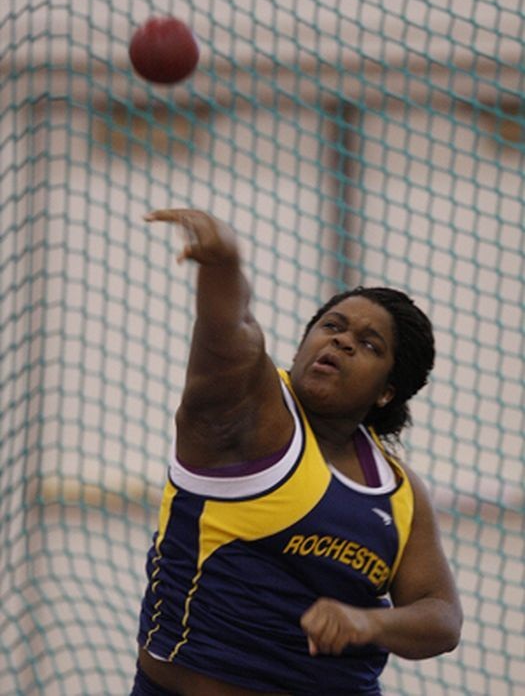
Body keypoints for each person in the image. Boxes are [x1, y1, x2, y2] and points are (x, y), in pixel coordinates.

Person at [131, 209, 462, 696]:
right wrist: (223, 266)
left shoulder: (399, 491)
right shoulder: (250, 410)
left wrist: (368, 622)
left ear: (387, 392)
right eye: (332, 325)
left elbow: (442, 617)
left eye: (369, 344)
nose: (342, 341)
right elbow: (229, 335)